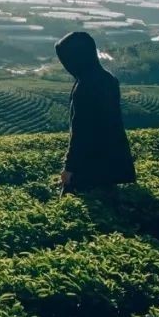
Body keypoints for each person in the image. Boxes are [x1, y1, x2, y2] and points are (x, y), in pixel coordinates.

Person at [53, 31, 136, 196]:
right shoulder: (108, 79)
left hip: (90, 164)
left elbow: (81, 132)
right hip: (114, 161)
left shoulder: (84, 87)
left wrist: (69, 168)